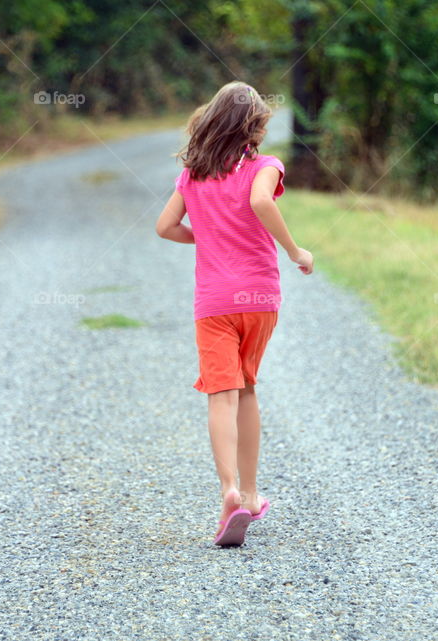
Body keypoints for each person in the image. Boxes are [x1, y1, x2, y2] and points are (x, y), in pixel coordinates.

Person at [155, 81, 314, 546]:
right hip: (259, 298)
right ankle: (248, 492)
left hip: (214, 302)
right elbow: (261, 201)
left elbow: (165, 227)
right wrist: (295, 250)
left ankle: (227, 490)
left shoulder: (192, 174)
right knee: (246, 389)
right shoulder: (266, 166)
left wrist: (207, 236)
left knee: (219, 394)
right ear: (255, 126)